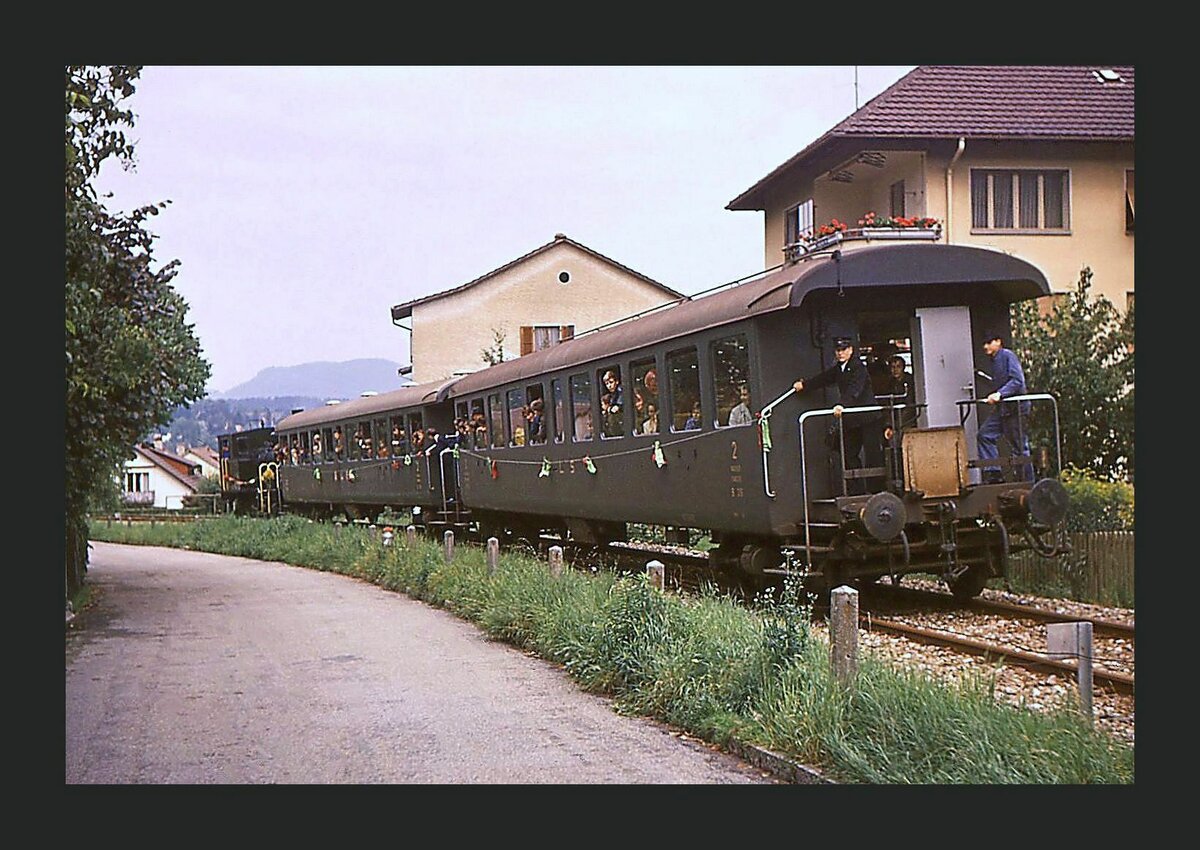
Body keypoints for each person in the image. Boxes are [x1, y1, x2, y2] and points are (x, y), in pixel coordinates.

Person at [792, 334, 883, 494]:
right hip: (853, 420)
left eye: (844, 349)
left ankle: (877, 491)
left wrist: (842, 404)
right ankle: (857, 491)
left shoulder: (858, 367)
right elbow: (824, 378)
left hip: (868, 418)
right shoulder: (839, 369)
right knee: (848, 453)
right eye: (838, 350)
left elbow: (855, 389)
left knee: (872, 454)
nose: (840, 353)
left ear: (851, 350)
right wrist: (804, 385)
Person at [977, 330, 1033, 483]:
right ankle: (994, 473)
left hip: (1016, 408)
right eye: (984, 344)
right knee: (984, 435)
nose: (985, 347)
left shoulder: (1008, 356)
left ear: (998, 342)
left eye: (989, 343)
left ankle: (1028, 481)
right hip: (1004, 409)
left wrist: (999, 394)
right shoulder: (995, 361)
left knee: (1019, 446)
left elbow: (1017, 381)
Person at [882, 355, 917, 442]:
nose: (895, 370)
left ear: (903, 368)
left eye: (898, 367)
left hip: (908, 419)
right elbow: (887, 404)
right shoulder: (889, 384)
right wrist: (889, 424)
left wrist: (897, 425)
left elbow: (909, 404)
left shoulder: (910, 381)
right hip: (894, 420)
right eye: (893, 367)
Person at [600, 370, 624, 437]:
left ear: (616, 382)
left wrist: (608, 409)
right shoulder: (612, 395)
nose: (609, 386)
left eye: (611, 382)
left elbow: (615, 409)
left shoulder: (620, 391)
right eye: (607, 384)